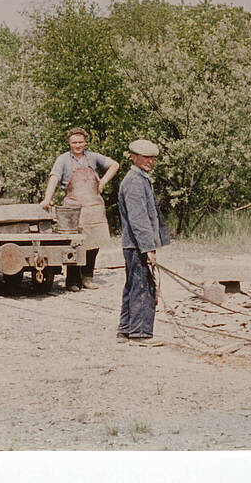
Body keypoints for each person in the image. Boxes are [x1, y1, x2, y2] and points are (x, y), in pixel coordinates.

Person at [40, 127, 119, 291]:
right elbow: (54, 178)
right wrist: (47, 198)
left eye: (80, 142)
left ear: (85, 142)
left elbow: (114, 165)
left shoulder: (93, 157)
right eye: (74, 142)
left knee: (94, 244)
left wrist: (103, 182)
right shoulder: (62, 160)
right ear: (69, 143)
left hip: (94, 207)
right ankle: (73, 280)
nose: (78, 145)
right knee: (75, 244)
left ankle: (88, 278)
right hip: (74, 208)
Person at [117, 139, 169, 345]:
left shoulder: (140, 179)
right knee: (142, 287)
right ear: (134, 157)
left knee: (133, 286)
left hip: (134, 244)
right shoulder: (134, 181)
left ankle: (125, 330)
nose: (150, 161)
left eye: (153, 158)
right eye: (146, 157)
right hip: (138, 244)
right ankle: (140, 334)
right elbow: (139, 219)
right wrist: (149, 248)